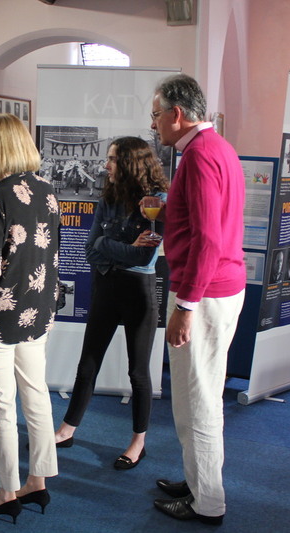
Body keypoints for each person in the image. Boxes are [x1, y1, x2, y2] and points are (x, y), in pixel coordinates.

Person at [149, 74, 246, 525]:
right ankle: (197, 481)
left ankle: (207, 502)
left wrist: (186, 306)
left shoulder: (200, 155)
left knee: (199, 398)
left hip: (204, 292)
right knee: (194, 394)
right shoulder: (217, 148)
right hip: (218, 286)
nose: (153, 124)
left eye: (156, 115)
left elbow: (208, 239)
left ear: (177, 114)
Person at [0, 113, 60, 524]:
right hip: (37, 311)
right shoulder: (47, 189)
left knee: (2, 406)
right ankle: (38, 481)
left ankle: (6, 492)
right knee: (36, 395)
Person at [53, 136, 168, 469]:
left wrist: (107, 244)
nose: (106, 165)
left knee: (138, 372)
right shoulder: (109, 196)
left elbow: (144, 257)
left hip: (139, 290)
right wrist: (117, 246)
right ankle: (67, 429)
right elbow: (91, 249)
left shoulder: (157, 201)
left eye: (113, 159)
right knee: (88, 363)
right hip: (105, 283)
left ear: (131, 162)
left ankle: (138, 443)